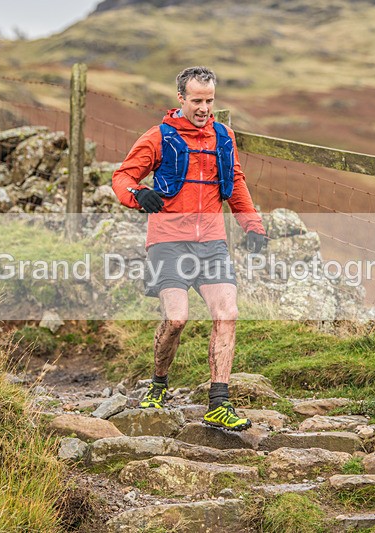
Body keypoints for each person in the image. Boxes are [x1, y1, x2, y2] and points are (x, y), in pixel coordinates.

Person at [112, 66, 267, 431]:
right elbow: (122, 178)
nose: (203, 108)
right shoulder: (158, 137)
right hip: (168, 242)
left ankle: (218, 402)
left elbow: (237, 183)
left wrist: (252, 224)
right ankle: (159, 383)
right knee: (177, 319)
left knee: (227, 313)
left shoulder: (223, 136)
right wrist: (138, 195)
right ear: (180, 98)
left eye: (209, 100)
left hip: (211, 242)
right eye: (196, 100)